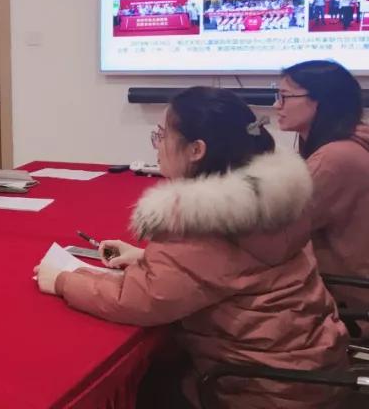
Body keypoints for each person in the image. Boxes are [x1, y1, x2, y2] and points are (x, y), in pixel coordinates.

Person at [34, 87, 348, 408]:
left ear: (196, 149)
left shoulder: (201, 221)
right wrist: (143, 256)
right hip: (315, 365)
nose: (157, 146)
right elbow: (234, 267)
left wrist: (63, 280)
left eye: (162, 135)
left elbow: (137, 301)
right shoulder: (273, 196)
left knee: (146, 381)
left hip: (260, 388)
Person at [275, 60, 369, 307]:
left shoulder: (333, 158)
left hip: (350, 299)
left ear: (320, 101)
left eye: (285, 96)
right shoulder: (349, 142)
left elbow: (280, 230)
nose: (277, 105)